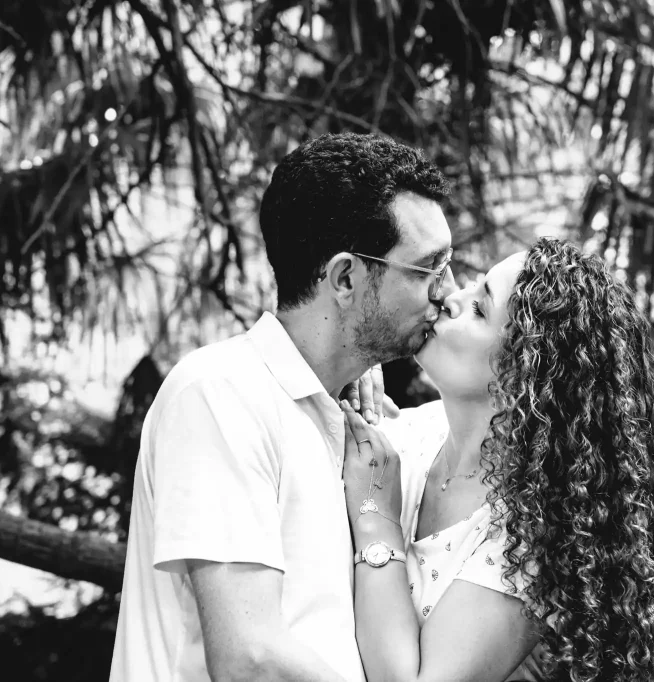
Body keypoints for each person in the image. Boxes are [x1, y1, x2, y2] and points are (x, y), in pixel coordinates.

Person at [109, 132, 456, 682]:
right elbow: (249, 659)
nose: (449, 291)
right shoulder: (221, 393)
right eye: (427, 269)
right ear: (346, 277)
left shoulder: (359, 424)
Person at [340, 238, 654, 682]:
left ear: (524, 377)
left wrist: (376, 518)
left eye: (479, 309)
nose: (451, 299)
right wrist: (350, 365)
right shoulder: (408, 434)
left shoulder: (530, 536)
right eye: (472, 289)